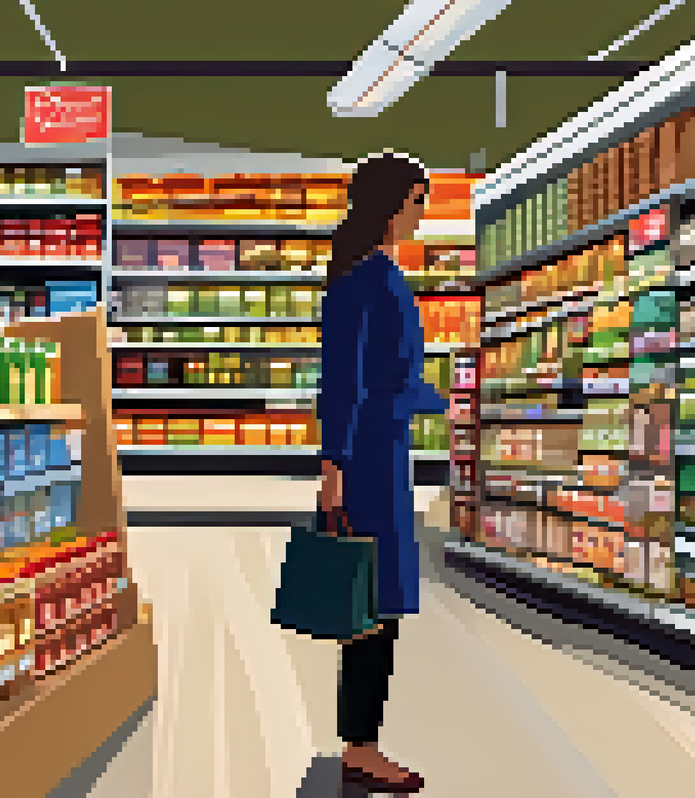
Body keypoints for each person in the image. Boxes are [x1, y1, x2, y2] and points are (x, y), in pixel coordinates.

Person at [319, 151, 447, 793]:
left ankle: (360, 738)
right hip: (368, 461)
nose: (422, 215)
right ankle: (361, 746)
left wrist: (444, 401)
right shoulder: (367, 281)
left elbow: (394, 381)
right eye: (419, 201)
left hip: (383, 455)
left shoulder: (371, 275)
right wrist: (333, 464)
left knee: (373, 602)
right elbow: (344, 384)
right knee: (371, 602)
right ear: (393, 203)